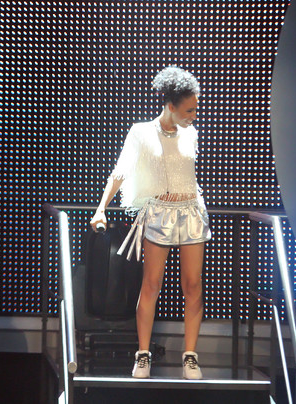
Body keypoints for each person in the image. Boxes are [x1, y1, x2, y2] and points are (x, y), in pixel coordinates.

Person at [89, 66, 211, 380]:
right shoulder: (141, 132)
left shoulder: (190, 132)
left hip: (191, 211)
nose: (194, 115)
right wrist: (101, 208)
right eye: (189, 110)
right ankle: (142, 355)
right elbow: (120, 171)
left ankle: (190, 356)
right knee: (151, 284)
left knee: (193, 285)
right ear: (170, 105)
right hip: (159, 213)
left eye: (195, 109)